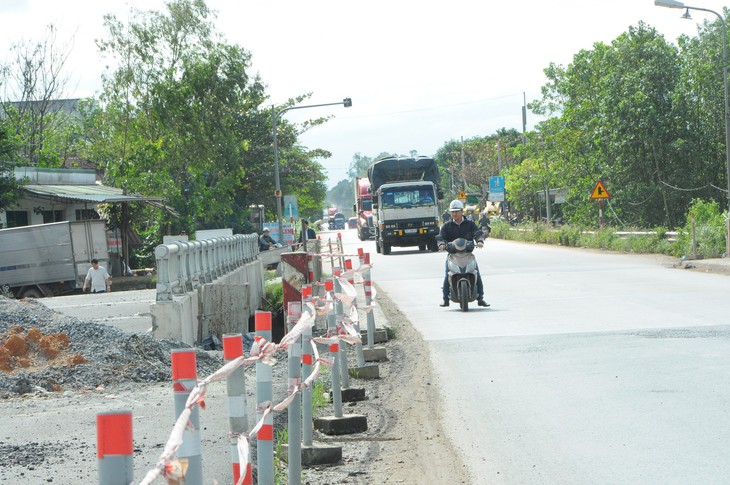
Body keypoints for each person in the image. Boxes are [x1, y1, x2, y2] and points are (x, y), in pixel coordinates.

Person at [436, 200, 488, 307]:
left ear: (461, 211)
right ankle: (445, 299)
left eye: (456, 211)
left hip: (468, 254)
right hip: (453, 255)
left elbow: (477, 233)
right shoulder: (447, 225)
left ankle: (480, 298)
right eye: (452, 212)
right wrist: (441, 244)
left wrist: (479, 241)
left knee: (476, 273)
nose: (454, 214)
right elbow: (441, 237)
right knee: (447, 274)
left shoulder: (470, 223)